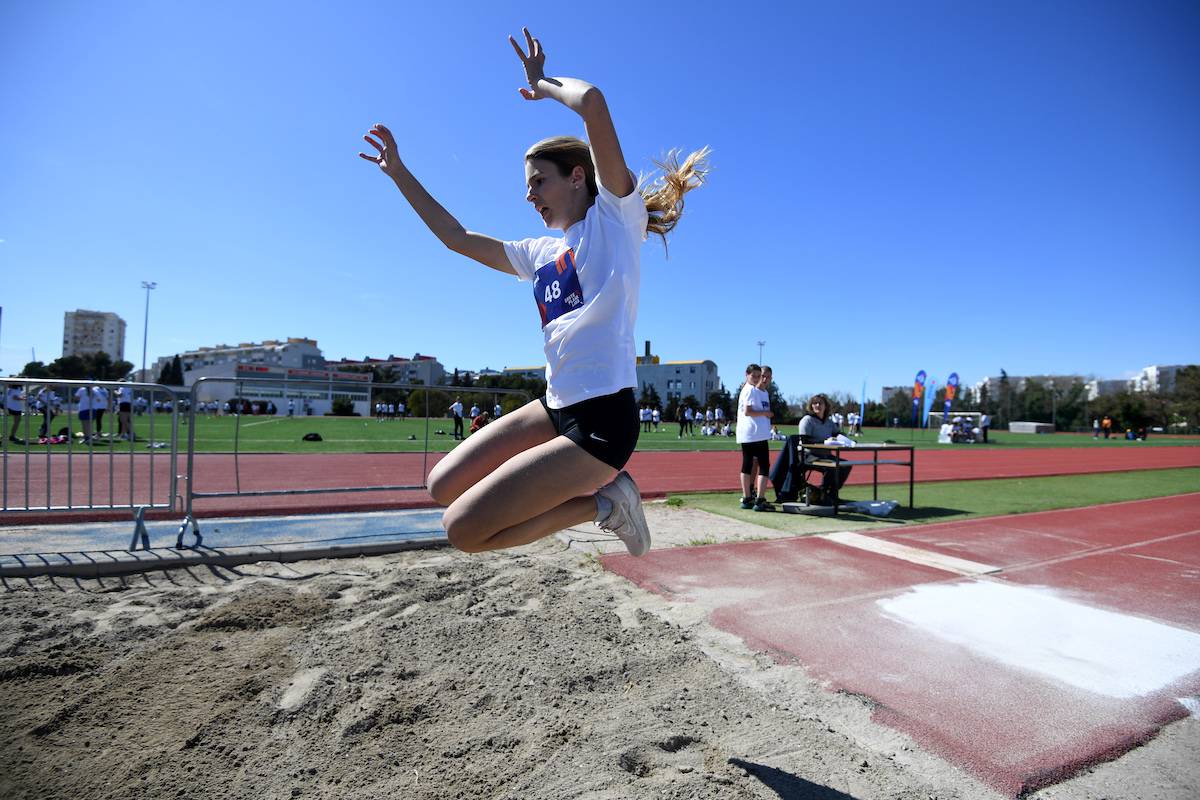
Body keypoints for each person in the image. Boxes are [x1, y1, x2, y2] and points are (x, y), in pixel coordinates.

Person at [359, 27, 707, 556]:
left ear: (576, 178)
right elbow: (457, 239)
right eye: (527, 188)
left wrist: (542, 84)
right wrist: (399, 173)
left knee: (464, 531)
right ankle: (602, 498)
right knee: (440, 485)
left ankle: (608, 503)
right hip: (554, 404)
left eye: (537, 182)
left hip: (602, 419)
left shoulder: (615, 222)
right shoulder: (540, 253)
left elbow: (592, 102)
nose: (530, 197)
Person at [798, 394, 852, 505]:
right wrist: (824, 443)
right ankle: (822, 494)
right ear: (811, 406)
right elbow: (805, 442)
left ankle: (832, 493)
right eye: (815, 403)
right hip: (807, 454)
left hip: (824, 455)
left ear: (825, 406)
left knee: (846, 465)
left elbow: (838, 434)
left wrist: (848, 441)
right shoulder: (807, 420)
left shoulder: (829, 422)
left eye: (820, 403)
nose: (817, 405)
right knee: (831, 466)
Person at [735, 363, 773, 511]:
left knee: (748, 464)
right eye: (755, 376)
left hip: (751, 433)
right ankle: (760, 499)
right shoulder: (750, 390)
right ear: (747, 375)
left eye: (760, 376)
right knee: (763, 465)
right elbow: (748, 411)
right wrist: (766, 413)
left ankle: (747, 497)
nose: (758, 379)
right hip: (755, 433)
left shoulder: (754, 391)